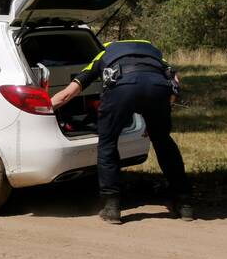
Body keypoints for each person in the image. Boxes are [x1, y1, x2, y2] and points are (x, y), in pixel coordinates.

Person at [50, 39, 192, 224]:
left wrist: (41, 107)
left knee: (108, 143)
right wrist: (160, 117)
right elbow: (175, 80)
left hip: (122, 89)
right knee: (164, 142)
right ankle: (185, 204)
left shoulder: (105, 53)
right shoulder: (154, 53)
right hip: (158, 89)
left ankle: (112, 207)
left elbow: (68, 93)